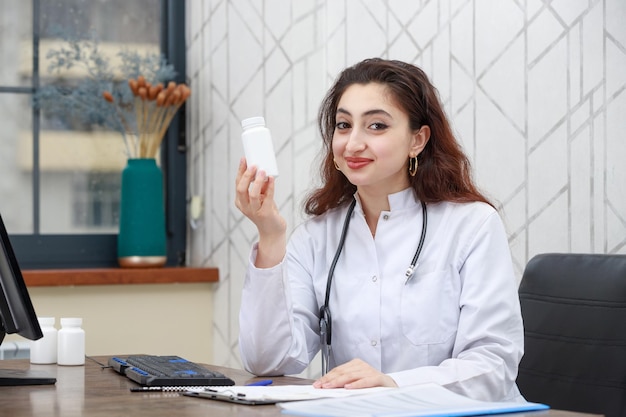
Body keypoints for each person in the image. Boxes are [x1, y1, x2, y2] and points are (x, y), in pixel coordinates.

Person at [234, 58, 524, 402]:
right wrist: (269, 235)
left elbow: (492, 366)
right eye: (344, 125)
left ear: (418, 139)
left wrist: (394, 383)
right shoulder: (316, 237)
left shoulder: (472, 225)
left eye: (376, 126)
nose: (353, 143)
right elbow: (267, 361)